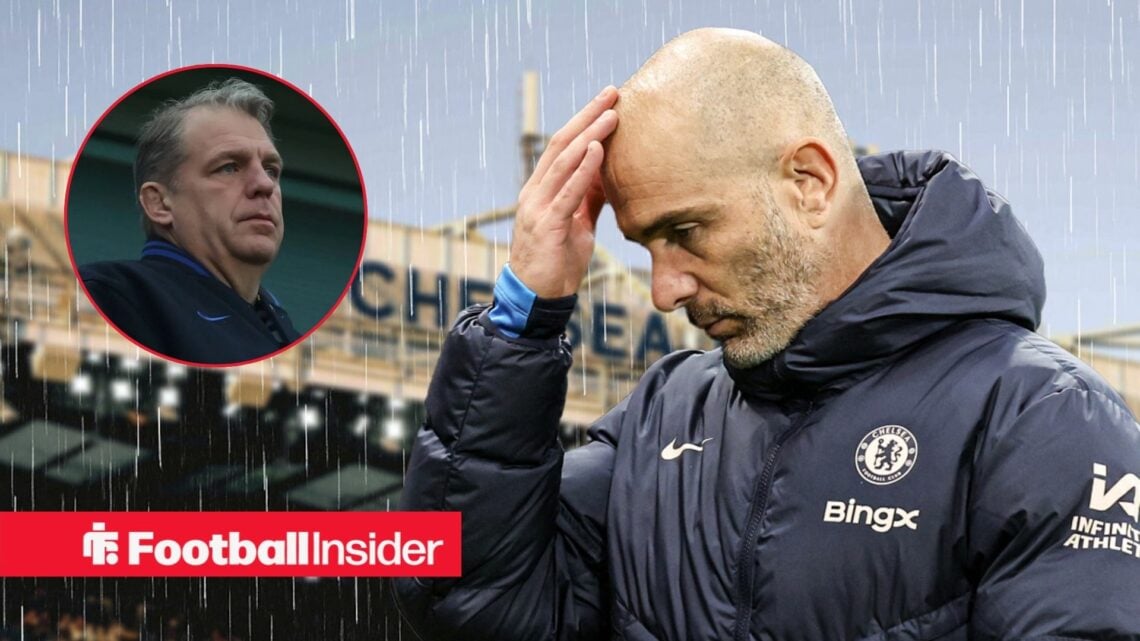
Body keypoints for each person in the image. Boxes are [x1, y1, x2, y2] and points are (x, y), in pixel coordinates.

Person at [394, 28, 1140, 640]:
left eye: (684, 231)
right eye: (644, 248)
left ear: (809, 182)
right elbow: (470, 604)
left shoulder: (1045, 420)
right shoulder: (662, 417)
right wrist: (523, 322)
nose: (663, 290)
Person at [79, 78, 300, 365]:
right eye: (229, 167)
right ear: (159, 203)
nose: (264, 184)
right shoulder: (109, 299)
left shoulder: (285, 330)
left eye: (271, 170)